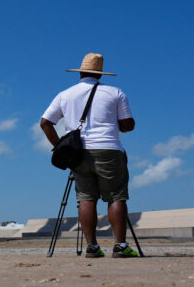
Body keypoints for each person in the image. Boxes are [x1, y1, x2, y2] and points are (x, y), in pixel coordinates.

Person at [39, 53, 137, 258]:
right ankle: (120, 246)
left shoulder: (65, 94)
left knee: (86, 198)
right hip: (109, 149)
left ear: (80, 73)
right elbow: (128, 125)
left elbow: (45, 122)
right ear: (100, 74)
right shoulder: (115, 92)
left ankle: (92, 247)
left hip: (78, 153)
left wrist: (59, 147)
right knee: (116, 196)